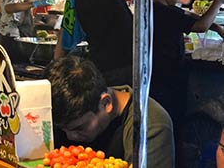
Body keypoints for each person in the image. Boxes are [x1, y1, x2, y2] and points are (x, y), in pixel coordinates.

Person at [46, 56, 174, 167]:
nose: (71, 137)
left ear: (106, 103)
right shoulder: (74, 108)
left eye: (80, 128)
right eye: (63, 130)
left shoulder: (149, 124)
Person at [151, 0, 224, 130]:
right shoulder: (163, 13)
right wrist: (218, 0)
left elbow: (190, 16)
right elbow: (201, 25)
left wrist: (218, 28)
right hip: (166, 76)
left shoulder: (162, 8)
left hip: (168, 73)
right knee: (173, 118)